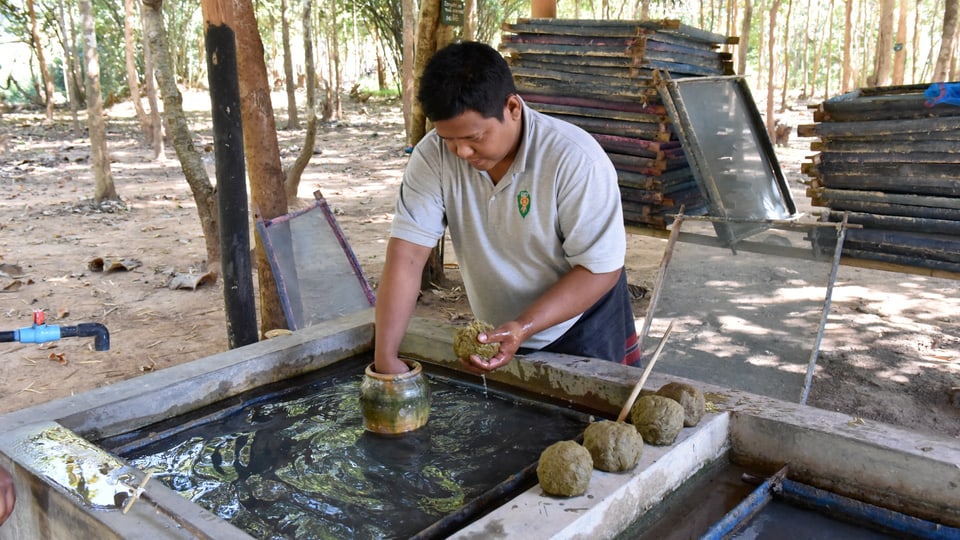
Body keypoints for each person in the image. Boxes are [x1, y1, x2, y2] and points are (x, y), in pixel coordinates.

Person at [373, 41, 640, 376]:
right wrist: (385, 356)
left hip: (583, 321)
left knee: (592, 422)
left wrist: (524, 326)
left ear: (512, 107)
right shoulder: (432, 157)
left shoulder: (575, 159)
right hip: (502, 331)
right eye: (449, 139)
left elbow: (599, 269)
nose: (461, 153)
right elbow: (407, 257)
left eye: (474, 138)